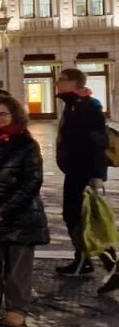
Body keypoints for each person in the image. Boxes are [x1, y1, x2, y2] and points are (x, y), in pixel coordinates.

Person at [0, 95, 48, 327]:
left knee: (18, 264)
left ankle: (16, 307)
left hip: (21, 214)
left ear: (14, 114)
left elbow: (32, 181)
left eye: (3, 114)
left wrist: (3, 210)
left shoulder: (26, 144)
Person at [55, 68, 108, 277]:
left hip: (84, 171)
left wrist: (97, 175)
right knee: (78, 216)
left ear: (74, 83)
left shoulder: (87, 107)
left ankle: (92, 261)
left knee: (80, 217)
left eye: (62, 79)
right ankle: (86, 259)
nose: (58, 82)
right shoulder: (73, 105)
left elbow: (97, 142)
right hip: (75, 169)